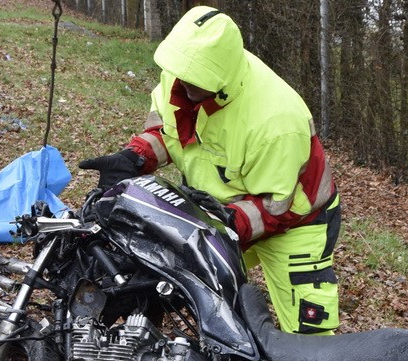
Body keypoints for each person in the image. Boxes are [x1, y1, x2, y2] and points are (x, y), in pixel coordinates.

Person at [78, 6, 342, 335]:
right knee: (184, 284)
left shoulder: (276, 120)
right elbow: (168, 133)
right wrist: (136, 157)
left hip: (294, 223)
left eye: (197, 80)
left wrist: (221, 224)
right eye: (184, 74)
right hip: (218, 211)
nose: (186, 83)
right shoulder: (180, 76)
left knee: (307, 331)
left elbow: (277, 206)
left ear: (221, 79)